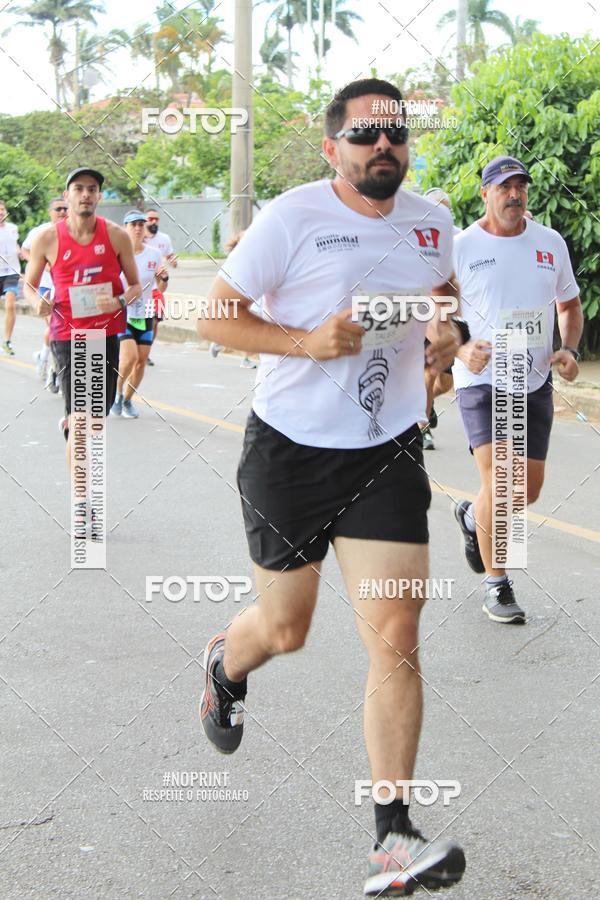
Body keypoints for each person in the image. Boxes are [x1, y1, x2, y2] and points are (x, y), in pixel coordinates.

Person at [198, 79, 466, 896]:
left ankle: (393, 835)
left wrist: (446, 333)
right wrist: (305, 342)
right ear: (332, 148)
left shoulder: (434, 221)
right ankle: (225, 666)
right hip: (289, 452)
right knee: (286, 630)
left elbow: (444, 297)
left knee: (396, 632)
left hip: (386, 451)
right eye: (364, 135)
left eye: (395, 133)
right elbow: (212, 316)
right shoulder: (292, 218)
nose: (383, 145)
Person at [452, 156, 583, 624]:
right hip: (483, 379)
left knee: (527, 488)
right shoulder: (461, 247)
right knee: (502, 479)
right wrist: (461, 347)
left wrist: (569, 348)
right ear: (485, 193)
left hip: (533, 377)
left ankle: (474, 517)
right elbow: (434, 311)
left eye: (521, 186)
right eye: (504, 187)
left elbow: (569, 305)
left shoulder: (550, 242)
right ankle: (497, 583)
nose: (514, 194)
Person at [23, 167, 141, 489]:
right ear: (67, 196)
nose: (85, 194)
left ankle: (71, 424)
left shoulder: (116, 235)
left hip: (106, 333)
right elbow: (29, 286)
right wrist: (37, 303)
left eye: (92, 189)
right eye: (78, 188)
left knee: (95, 419)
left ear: (99, 196)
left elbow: (135, 286)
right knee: (80, 423)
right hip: (67, 335)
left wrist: (118, 301)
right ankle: (82, 499)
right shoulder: (47, 238)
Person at [111, 211, 168, 418]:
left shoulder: (154, 254)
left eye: (140, 225)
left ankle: (127, 400)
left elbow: (160, 288)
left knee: (141, 361)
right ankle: (116, 393)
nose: (137, 228)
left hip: (144, 312)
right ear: (124, 228)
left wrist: (164, 278)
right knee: (129, 357)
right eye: (133, 224)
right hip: (122, 313)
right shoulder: (115, 253)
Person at [21, 198, 69, 387]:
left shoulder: (73, 231)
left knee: (60, 329)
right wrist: (39, 262)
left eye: (65, 208)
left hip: (65, 288)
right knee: (54, 326)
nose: (62, 212)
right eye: (58, 209)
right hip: (46, 287)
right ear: (50, 212)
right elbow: (25, 250)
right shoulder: (40, 232)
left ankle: (44, 356)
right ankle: (55, 371)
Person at [209, 229, 257, 369]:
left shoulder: (255, 254)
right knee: (248, 329)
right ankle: (224, 343)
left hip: (257, 297)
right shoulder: (236, 257)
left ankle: (221, 342)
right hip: (244, 296)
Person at [144, 208, 177, 364]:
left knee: (155, 321)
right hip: (139, 288)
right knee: (138, 322)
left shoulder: (164, 239)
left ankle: (146, 353)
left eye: (156, 219)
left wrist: (173, 261)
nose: (153, 222)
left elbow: (170, 255)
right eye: (150, 219)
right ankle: (136, 348)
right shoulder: (138, 238)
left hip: (156, 287)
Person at [0, 200, 21, 356]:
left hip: (11, 272)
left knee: (10, 305)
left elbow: (15, 245)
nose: (0, 212)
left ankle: (7, 341)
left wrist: (19, 251)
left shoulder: (13, 228)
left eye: (2, 209)